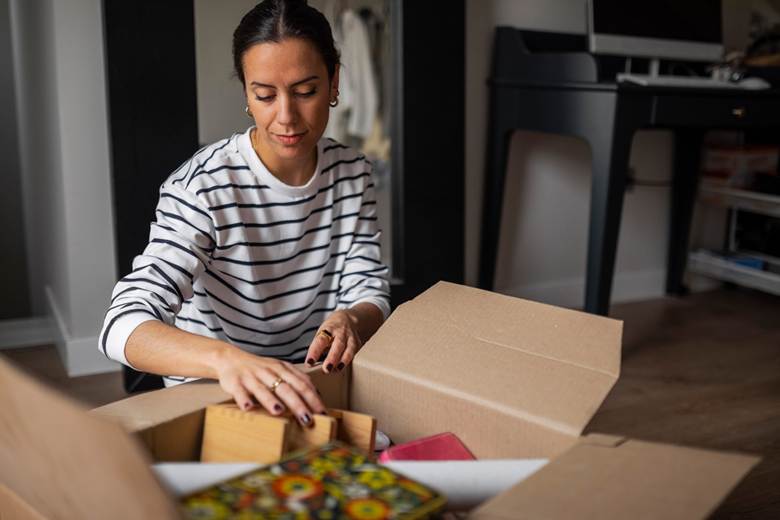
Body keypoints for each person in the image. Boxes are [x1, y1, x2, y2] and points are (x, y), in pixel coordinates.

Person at [99, 0, 390, 427]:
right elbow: (122, 324)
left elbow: (369, 288)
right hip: (217, 386)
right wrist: (229, 361)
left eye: (306, 91)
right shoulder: (200, 188)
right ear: (246, 95)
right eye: (265, 95)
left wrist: (350, 318)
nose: (286, 117)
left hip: (310, 381)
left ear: (334, 83)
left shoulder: (351, 172)